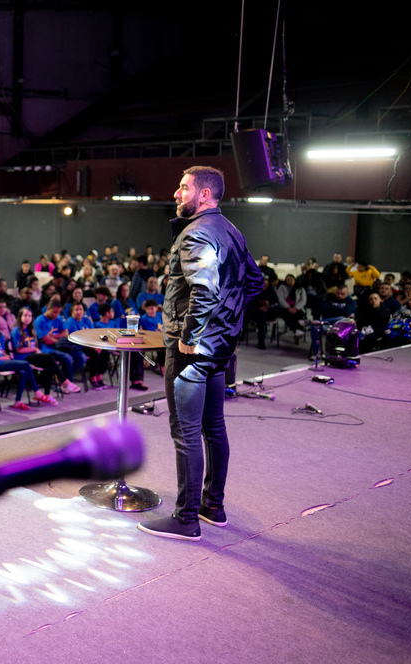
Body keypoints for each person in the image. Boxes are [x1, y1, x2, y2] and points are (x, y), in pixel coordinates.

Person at [140, 165, 263, 542]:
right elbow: (254, 283)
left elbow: (205, 291)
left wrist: (190, 336)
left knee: (186, 432)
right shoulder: (232, 231)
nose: (176, 193)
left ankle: (186, 518)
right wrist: (226, 324)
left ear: (205, 195)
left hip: (190, 351)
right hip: (220, 350)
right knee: (213, 429)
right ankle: (213, 505)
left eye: (183, 187)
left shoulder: (196, 234)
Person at [0, 310, 41, 410]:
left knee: (24, 372)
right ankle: (37, 392)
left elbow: (1, 350)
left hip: (2, 361)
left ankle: (17, 402)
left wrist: (6, 356)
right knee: (26, 364)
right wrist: (0, 358)